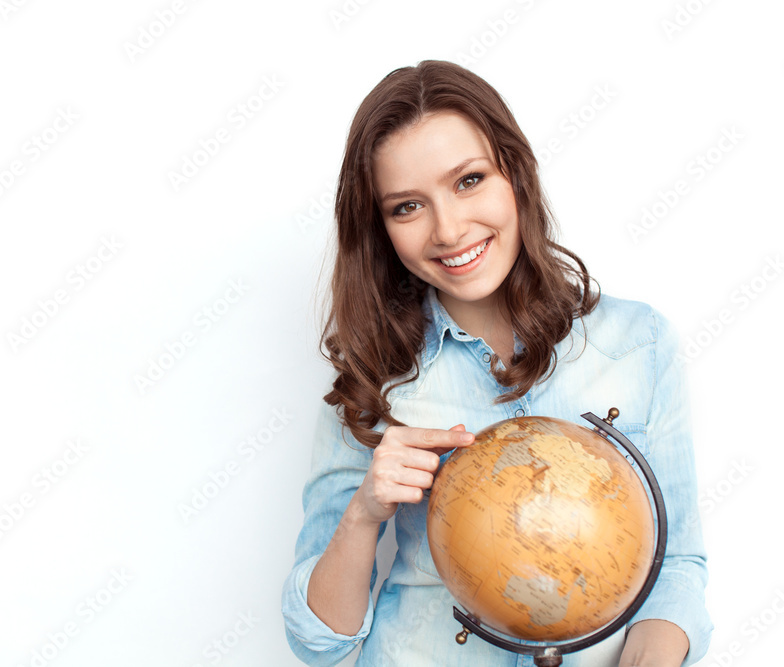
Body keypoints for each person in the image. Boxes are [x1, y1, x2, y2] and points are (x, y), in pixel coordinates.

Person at [281, 60, 713, 666]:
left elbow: (677, 566)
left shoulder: (638, 342)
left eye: (468, 180)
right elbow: (319, 642)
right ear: (380, 228)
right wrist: (363, 514)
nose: (450, 230)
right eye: (407, 207)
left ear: (516, 173)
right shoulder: (374, 378)